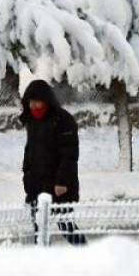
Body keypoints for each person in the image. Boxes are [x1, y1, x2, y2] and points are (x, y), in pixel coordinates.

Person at [20, 79, 84, 245]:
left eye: (36, 102)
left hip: (59, 186)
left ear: (46, 100)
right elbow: (30, 151)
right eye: (30, 102)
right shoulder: (32, 121)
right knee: (39, 228)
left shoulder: (63, 120)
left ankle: (86, 254)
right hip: (37, 184)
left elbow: (69, 155)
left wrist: (62, 182)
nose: (33, 106)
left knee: (65, 225)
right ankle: (43, 263)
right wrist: (27, 176)